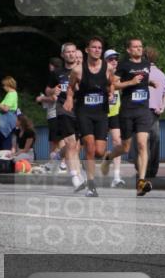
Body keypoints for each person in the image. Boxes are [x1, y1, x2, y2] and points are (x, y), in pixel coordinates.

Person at [64, 37, 114, 198]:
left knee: (100, 151)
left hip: (101, 112)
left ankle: (105, 158)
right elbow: (71, 87)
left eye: (100, 48)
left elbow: (111, 83)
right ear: (87, 50)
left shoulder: (108, 68)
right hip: (84, 112)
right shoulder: (78, 70)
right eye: (94, 47)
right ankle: (91, 185)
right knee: (90, 148)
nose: (97, 50)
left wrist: (111, 93)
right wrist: (69, 99)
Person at [106, 38, 156, 196]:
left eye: (140, 47)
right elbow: (114, 85)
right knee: (126, 147)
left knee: (142, 144)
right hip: (127, 110)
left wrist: (150, 83)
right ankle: (110, 156)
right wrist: (131, 82)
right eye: (135, 47)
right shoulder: (124, 65)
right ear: (128, 50)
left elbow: (143, 80)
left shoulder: (147, 64)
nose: (138, 49)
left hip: (143, 110)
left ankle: (141, 182)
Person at [46, 42, 84, 189]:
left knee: (77, 144)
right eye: (68, 52)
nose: (71, 54)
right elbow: (48, 89)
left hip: (80, 109)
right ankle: (74, 175)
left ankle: (58, 157)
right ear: (63, 55)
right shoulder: (57, 73)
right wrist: (52, 91)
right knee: (71, 142)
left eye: (73, 51)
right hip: (63, 108)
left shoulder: (83, 71)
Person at [144, 46, 165, 180]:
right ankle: (153, 170)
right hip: (155, 112)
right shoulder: (161, 74)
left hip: (141, 110)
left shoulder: (141, 73)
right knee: (155, 141)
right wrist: (163, 107)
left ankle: (143, 169)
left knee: (142, 143)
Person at [101, 49, 126, 188]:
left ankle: (116, 176)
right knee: (101, 146)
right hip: (101, 113)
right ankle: (106, 160)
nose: (114, 61)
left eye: (116, 59)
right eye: (111, 59)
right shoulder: (99, 74)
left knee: (118, 142)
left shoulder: (119, 75)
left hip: (115, 113)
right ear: (105, 61)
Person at [36, 57, 64, 173]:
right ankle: (53, 162)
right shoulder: (61, 76)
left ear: (52, 66)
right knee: (54, 140)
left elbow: (54, 97)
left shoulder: (56, 77)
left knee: (58, 139)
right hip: (55, 112)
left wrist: (42, 98)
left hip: (55, 112)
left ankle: (61, 163)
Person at [0, 76, 19, 152]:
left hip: (7, 124)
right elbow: (2, 108)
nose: (3, 87)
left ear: (8, 85)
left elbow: (6, 108)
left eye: (3, 85)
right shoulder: (9, 94)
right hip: (4, 124)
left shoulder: (12, 94)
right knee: (1, 145)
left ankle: (6, 163)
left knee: (5, 146)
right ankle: (3, 162)